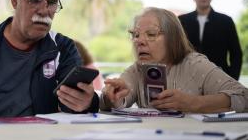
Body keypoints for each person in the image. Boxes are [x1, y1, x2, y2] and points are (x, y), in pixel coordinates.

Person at [100, 7, 248, 113]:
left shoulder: (195, 64)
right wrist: (112, 96)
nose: (139, 41)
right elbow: (114, 100)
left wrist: (193, 103)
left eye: (151, 34)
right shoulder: (137, 69)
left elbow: (244, 96)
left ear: (172, 39)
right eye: (136, 35)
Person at [179, 0, 242, 80]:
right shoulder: (182, 21)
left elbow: (236, 54)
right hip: (188, 77)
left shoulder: (225, 21)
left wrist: (232, 79)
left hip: (219, 77)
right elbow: (176, 49)